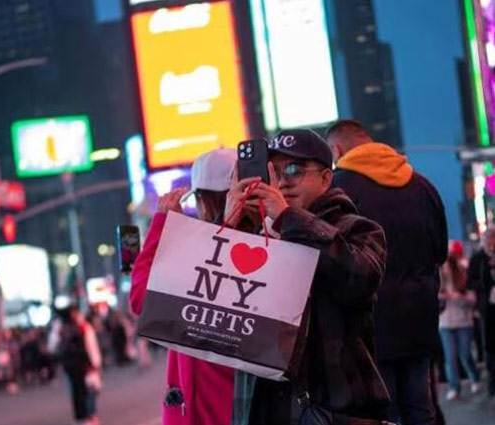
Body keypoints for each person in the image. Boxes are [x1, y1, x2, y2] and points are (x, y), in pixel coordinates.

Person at [229, 129, 390, 424]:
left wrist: (289, 219)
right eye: (274, 171)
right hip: (263, 408)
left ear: (326, 179)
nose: (282, 181)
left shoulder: (358, 228)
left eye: (295, 170)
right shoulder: (252, 236)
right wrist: (227, 223)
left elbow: (360, 277)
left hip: (330, 406)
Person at [327, 120, 448, 424]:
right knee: (422, 408)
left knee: (385, 413)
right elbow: (440, 252)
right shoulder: (422, 185)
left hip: (370, 326)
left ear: (337, 150)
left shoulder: (339, 189)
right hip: (421, 317)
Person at [130, 148, 239, 425]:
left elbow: (141, 300)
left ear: (202, 200)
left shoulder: (197, 256)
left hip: (205, 411)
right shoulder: (273, 244)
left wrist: (162, 226)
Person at [438, 245, 482, 401]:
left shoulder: (463, 276)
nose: (444, 269)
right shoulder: (437, 282)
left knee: (465, 354)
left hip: (464, 322)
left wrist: (457, 297)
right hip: (445, 324)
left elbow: (472, 300)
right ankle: (454, 387)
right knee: (450, 358)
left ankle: (475, 378)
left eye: (447, 264)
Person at [49, 306, 103, 425]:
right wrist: (96, 363)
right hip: (83, 364)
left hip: (69, 365)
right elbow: (91, 346)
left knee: (76, 391)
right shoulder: (83, 327)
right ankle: (90, 416)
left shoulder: (60, 328)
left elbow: (52, 346)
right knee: (89, 390)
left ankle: (82, 417)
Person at [466, 227, 495, 397]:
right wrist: (484, 285)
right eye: (490, 239)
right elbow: (470, 282)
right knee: (489, 344)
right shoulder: (478, 259)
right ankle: (492, 380)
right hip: (487, 308)